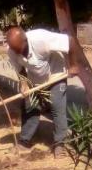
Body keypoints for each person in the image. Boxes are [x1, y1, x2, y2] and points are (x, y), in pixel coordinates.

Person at [6, 26, 72, 155]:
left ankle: (60, 144)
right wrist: (24, 84)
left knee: (56, 105)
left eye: (20, 49)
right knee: (29, 105)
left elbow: (70, 41)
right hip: (35, 79)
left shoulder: (41, 39)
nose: (18, 53)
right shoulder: (12, 51)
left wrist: (74, 65)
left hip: (56, 74)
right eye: (15, 50)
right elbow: (20, 70)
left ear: (25, 41)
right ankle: (24, 141)